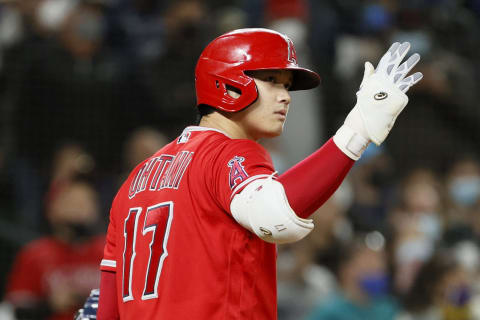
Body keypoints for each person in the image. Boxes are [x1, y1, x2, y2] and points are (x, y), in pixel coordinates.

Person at [96, 28, 423, 319]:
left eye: (286, 86)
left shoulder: (136, 179)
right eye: (271, 81)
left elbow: (105, 308)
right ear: (227, 83)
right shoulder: (228, 153)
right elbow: (276, 216)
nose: (284, 96)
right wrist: (357, 130)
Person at [5, 179, 105, 320]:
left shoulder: (111, 251)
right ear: (52, 209)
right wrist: (49, 305)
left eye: (86, 203)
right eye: (73, 203)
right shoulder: (35, 253)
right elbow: (15, 311)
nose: (80, 210)